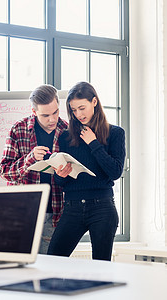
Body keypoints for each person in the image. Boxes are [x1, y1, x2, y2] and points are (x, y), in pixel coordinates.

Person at [47, 81, 126, 261]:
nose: (78, 114)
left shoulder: (115, 133)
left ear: (94, 102)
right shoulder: (66, 137)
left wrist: (93, 143)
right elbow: (61, 183)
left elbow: (115, 172)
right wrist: (61, 175)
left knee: (101, 266)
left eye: (82, 108)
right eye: (73, 110)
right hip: (72, 207)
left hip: (102, 207)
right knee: (53, 259)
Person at [0, 84, 68, 254]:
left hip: (54, 213)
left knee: (47, 269)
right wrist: (30, 158)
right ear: (34, 112)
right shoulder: (18, 129)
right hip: (22, 212)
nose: (52, 119)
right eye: (45, 115)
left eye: (55, 112)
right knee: (18, 267)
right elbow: (4, 171)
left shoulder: (67, 130)